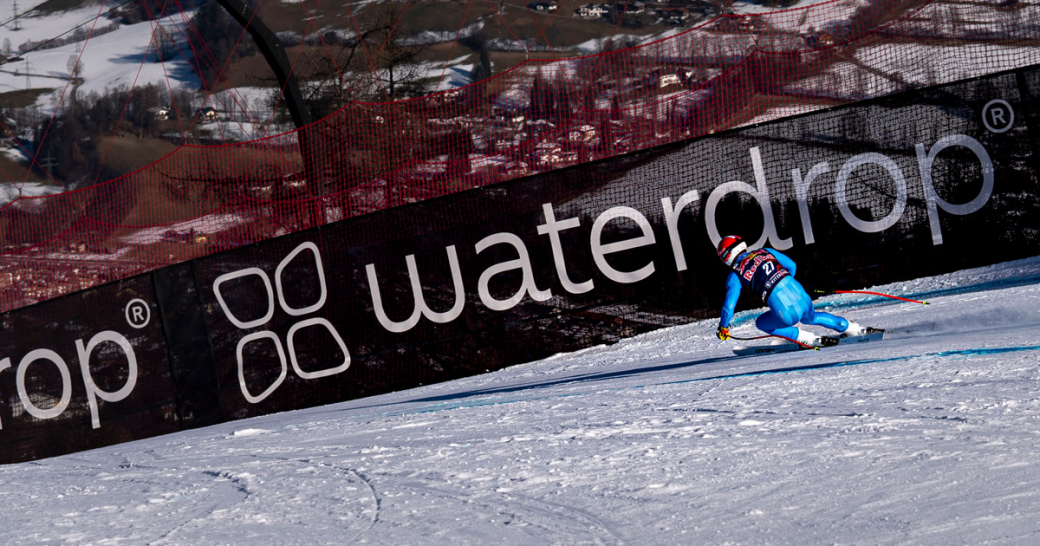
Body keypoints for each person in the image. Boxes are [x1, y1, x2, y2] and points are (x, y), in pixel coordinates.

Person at [714, 235, 866, 347]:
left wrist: (724, 327)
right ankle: (852, 328)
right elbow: (792, 265)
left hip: (785, 312)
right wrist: (785, 284)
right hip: (799, 293)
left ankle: (805, 339)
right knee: (811, 317)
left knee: (761, 323)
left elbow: (728, 307)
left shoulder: (734, 275)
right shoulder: (764, 251)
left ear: (727, 256)